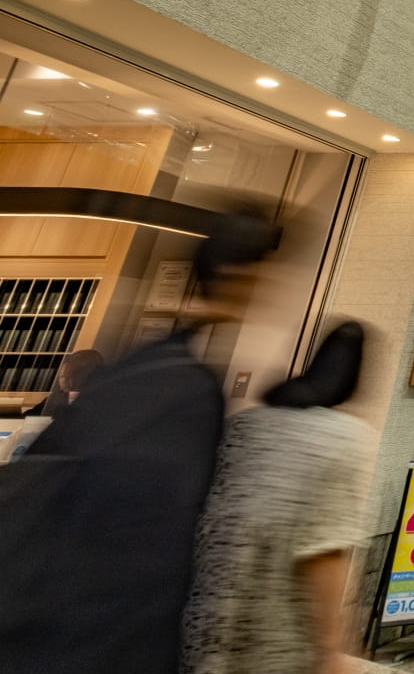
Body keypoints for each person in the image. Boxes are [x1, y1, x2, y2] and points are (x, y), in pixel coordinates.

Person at [0, 207, 278, 674]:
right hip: (97, 629)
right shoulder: (187, 387)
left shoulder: (135, 365)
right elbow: (147, 532)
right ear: (240, 276)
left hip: (45, 610)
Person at [180, 321, 376, 674]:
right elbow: (324, 550)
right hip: (274, 632)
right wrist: (332, 648)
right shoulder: (343, 438)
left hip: (201, 613)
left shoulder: (244, 424)